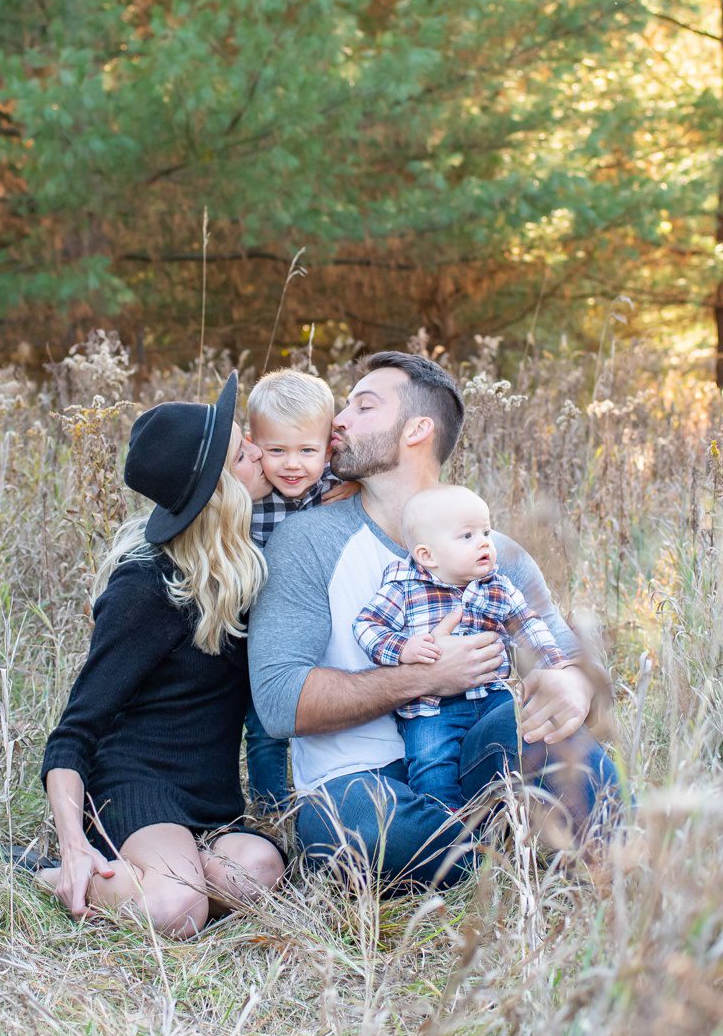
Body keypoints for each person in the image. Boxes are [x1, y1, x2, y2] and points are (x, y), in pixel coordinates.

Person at [247, 351, 621, 891]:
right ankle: (498, 848)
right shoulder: (307, 542)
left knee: (562, 741)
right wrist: (425, 676)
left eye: (363, 405)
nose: (339, 420)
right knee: (363, 830)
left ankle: (625, 872)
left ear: (417, 429)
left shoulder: (492, 550)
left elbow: (574, 656)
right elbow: (280, 701)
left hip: (470, 756)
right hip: (357, 781)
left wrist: (572, 682)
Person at [32, 372, 286, 938]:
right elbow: (72, 736)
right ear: (219, 489)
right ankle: (51, 875)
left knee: (258, 873)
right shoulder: (144, 588)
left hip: (213, 795)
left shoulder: (245, 567)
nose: (261, 454)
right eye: (243, 453)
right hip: (138, 785)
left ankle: (166, 873)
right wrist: (73, 844)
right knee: (176, 910)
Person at [353, 484, 570, 811]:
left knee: (529, 734)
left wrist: (555, 667)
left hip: (491, 695)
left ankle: (522, 815)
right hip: (430, 709)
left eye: (486, 531)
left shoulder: (496, 585)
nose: (485, 542)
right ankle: (449, 829)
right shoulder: (404, 587)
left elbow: (528, 625)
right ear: (427, 555)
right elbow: (367, 626)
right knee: (432, 765)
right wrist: (403, 648)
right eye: (467, 536)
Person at [240, 369, 344, 811]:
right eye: (276, 450)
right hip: (258, 632)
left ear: (328, 449)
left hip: (323, 624)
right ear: (251, 444)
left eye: (307, 450)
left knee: (324, 714)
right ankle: (271, 809)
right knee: (263, 724)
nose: (292, 465)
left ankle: (322, 797)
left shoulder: (338, 492)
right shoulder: (245, 499)